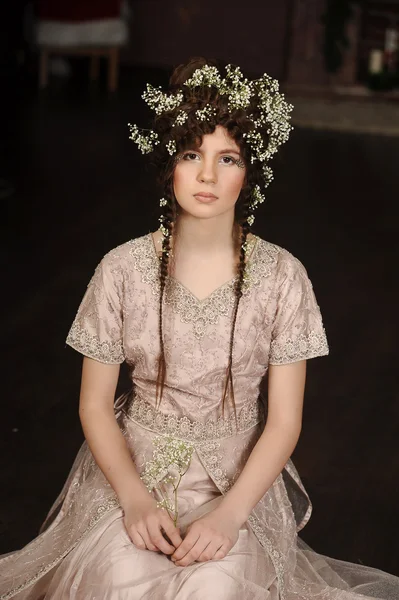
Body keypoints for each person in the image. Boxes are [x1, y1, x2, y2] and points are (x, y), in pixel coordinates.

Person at [0, 57, 398, 600]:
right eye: (192, 154)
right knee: (117, 579)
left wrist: (231, 516)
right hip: (132, 472)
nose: (207, 175)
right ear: (170, 164)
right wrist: (136, 500)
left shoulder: (283, 277)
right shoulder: (121, 270)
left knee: (213, 587)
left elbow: (283, 422)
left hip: (236, 484)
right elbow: (94, 405)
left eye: (227, 158)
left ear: (250, 172)